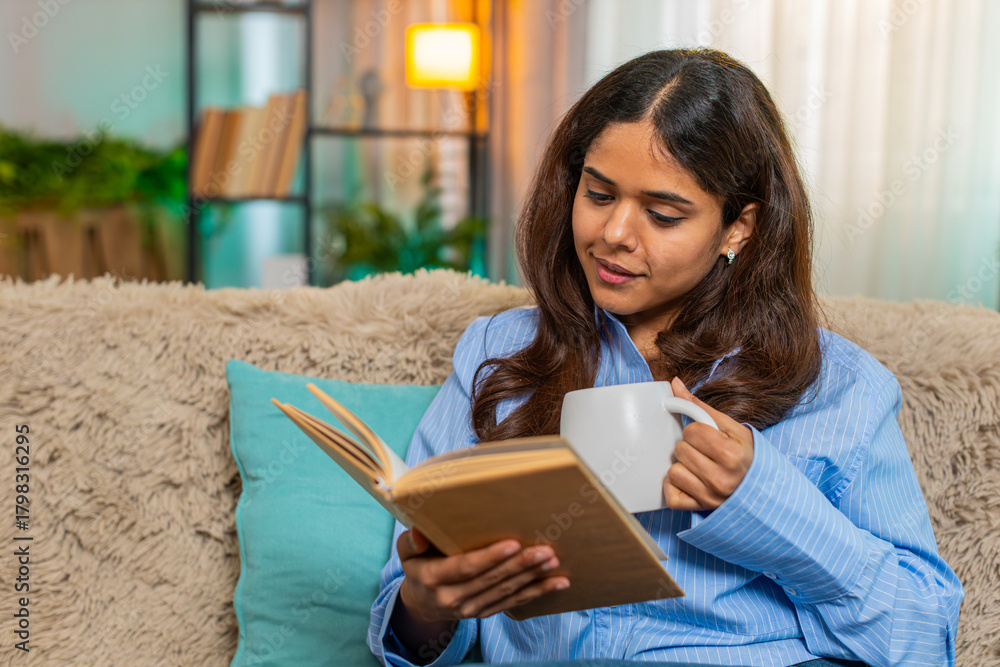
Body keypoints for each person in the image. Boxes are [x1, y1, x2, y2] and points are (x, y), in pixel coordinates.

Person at [367, 48, 963, 667]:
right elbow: (410, 632)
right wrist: (426, 605)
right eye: (598, 194)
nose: (614, 234)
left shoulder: (841, 388)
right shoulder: (498, 353)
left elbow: (925, 640)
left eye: (662, 215)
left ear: (738, 227)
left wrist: (766, 503)